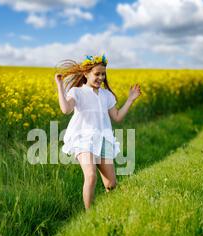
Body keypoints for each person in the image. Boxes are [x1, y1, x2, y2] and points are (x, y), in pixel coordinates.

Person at [54, 54, 141, 210]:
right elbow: (66, 109)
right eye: (97, 74)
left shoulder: (107, 95)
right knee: (91, 176)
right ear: (86, 74)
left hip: (104, 140)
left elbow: (117, 117)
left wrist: (130, 100)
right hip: (83, 140)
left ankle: (109, 211)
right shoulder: (77, 92)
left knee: (111, 185)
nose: (101, 77)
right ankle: (90, 216)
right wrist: (60, 86)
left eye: (103, 74)